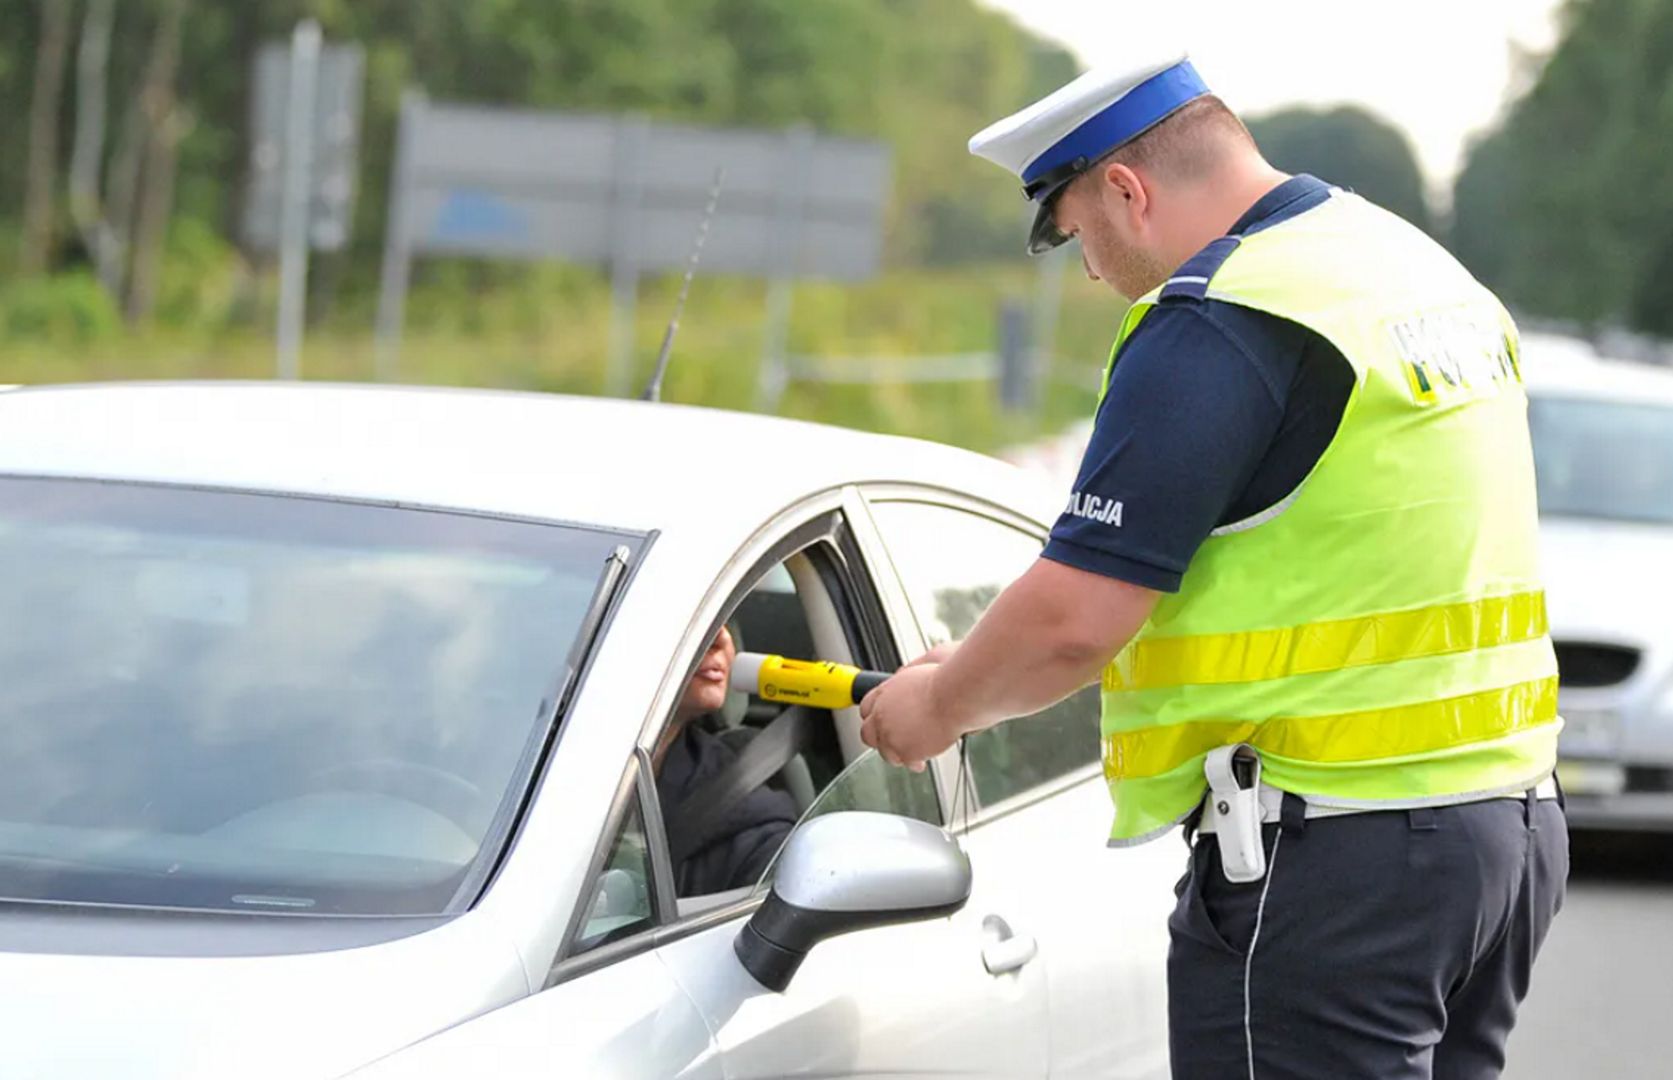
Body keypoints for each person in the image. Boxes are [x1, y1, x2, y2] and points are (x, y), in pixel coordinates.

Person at [857, 35, 1566, 1080]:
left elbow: (1071, 623)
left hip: (1336, 862)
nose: (1094, 273)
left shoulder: (1227, 317)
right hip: (1499, 834)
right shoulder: (1411, 270)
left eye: (1076, 237)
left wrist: (935, 708)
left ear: (1126, 191)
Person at [655, 625, 798, 897]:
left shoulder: (749, 824)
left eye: (726, 621)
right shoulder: (552, 771)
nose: (722, 638)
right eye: (689, 618)